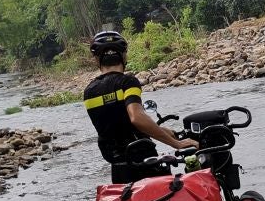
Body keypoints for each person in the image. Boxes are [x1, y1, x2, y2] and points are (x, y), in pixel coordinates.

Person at [83, 30, 196, 183]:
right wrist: (177, 143)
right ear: (124, 56)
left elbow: (120, 127)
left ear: (97, 59)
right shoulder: (127, 82)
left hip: (119, 169)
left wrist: (166, 132)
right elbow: (136, 118)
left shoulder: (89, 91)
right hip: (144, 164)